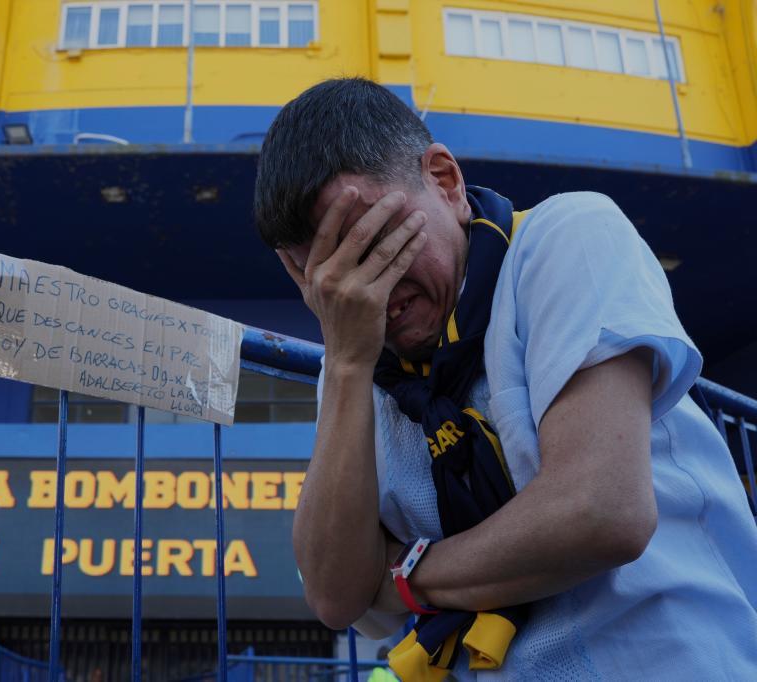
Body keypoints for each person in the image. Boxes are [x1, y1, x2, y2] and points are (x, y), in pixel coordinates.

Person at [253, 77, 757, 679]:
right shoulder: (352, 357)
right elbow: (336, 597)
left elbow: (601, 513)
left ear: (444, 180)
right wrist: (344, 366)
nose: (366, 293)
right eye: (327, 279)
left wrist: (405, 577)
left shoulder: (570, 236)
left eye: (375, 246)